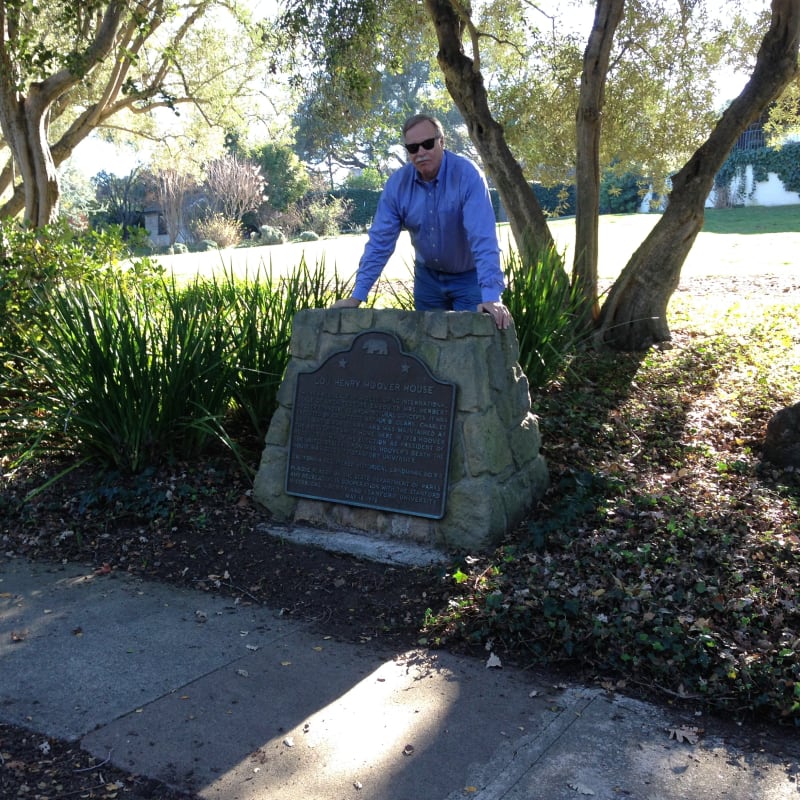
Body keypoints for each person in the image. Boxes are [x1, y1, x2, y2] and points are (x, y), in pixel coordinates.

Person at [331, 113, 511, 330]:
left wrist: (491, 295)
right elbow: (379, 243)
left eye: (427, 144)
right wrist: (357, 297)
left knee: (468, 350)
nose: (421, 152)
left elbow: (483, 237)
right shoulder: (397, 186)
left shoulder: (467, 175)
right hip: (428, 281)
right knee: (427, 353)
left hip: (469, 278)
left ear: (442, 142)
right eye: (413, 148)